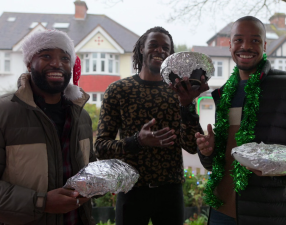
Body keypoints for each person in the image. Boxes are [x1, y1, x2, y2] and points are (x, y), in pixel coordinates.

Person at [95, 26, 209, 225]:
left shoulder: (178, 92)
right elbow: (101, 148)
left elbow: (191, 146)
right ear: (141, 49)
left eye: (166, 47)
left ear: (170, 54)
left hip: (170, 191)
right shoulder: (118, 90)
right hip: (131, 190)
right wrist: (137, 141)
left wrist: (187, 106)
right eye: (153, 45)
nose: (160, 50)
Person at [196, 16, 286, 225]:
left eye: (254, 40)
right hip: (220, 210)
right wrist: (208, 150)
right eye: (239, 40)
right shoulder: (224, 93)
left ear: (264, 45)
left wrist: (275, 172)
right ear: (230, 45)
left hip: (269, 211)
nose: (246, 46)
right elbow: (217, 161)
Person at [0, 30, 96, 225]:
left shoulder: (82, 116)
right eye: (46, 56)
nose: (57, 63)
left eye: (64, 58)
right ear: (29, 63)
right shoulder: (4, 113)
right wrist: (41, 203)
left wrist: (97, 184)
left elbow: (89, 167)